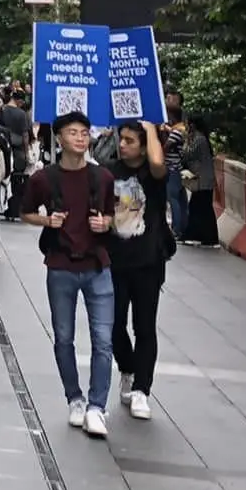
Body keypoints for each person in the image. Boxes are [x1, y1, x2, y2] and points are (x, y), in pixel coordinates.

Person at [20, 111, 117, 438]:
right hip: (60, 265)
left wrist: (106, 224)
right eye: (73, 132)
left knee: (103, 341)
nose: (80, 137)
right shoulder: (44, 179)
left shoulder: (102, 178)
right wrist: (47, 222)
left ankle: (97, 407)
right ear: (59, 138)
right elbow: (26, 212)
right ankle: (74, 398)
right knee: (64, 337)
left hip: (97, 266)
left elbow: (119, 216)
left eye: (84, 132)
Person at [103, 119, 170, 421]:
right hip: (115, 260)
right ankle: (127, 368)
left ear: (144, 146)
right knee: (114, 324)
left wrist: (152, 126)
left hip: (147, 261)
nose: (123, 144)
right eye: (122, 139)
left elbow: (158, 163)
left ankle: (142, 389)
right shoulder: (110, 172)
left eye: (131, 140)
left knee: (144, 326)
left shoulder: (152, 175)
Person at [180, 117, 221, 247]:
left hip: (202, 180)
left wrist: (183, 142)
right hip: (204, 179)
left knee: (200, 209)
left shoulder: (198, 139)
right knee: (202, 209)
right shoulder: (201, 138)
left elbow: (187, 154)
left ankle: (200, 236)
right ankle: (205, 237)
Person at [160, 90, 190, 239]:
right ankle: (182, 227)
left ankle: (177, 229)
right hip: (176, 169)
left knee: (173, 199)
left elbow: (166, 148)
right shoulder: (178, 130)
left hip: (172, 169)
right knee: (180, 199)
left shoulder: (178, 131)